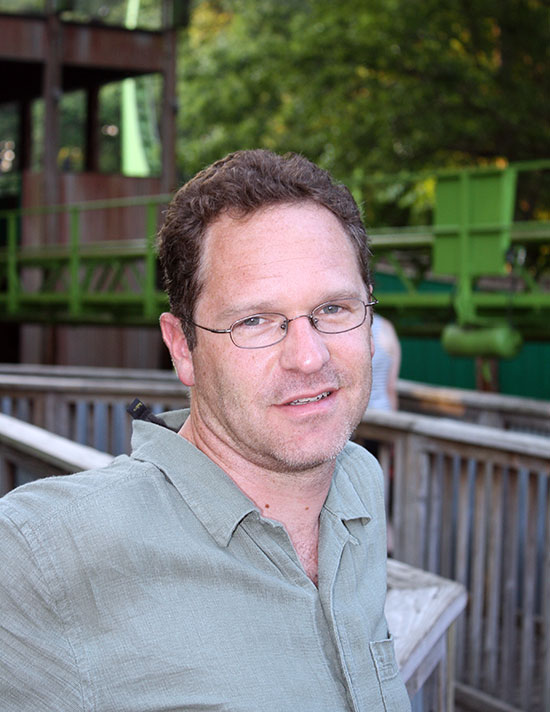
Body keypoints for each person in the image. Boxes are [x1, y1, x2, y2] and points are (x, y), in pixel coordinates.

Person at [0, 150, 410, 711]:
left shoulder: (359, 481)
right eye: (255, 321)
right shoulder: (37, 552)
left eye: (334, 308)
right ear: (181, 348)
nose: (309, 357)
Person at [369, 314, 401, 412]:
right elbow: (391, 387)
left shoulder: (346, 326)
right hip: (383, 410)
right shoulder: (385, 327)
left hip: (358, 416)